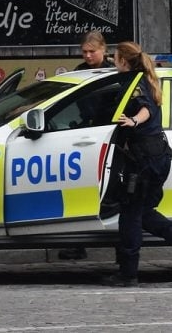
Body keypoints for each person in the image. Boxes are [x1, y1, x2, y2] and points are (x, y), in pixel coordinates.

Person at [102, 41, 172, 287]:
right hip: (156, 155)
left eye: (115, 57)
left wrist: (134, 121)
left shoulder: (136, 83)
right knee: (143, 212)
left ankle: (128, 274)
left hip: (143, 160)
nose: (113, 61)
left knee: (130, 215)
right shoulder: (145, 79)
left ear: (123, 61)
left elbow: (145, 109)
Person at [58, 31, 114, 261]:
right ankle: (78, 244)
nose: (88, 56)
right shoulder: (80, 71)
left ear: (104, 50)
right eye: (85, 52)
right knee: (82, 190)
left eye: (93, 51)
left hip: (111, 134)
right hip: (87, 133)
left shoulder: (113, 70)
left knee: (111, 193)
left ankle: (121, 247)